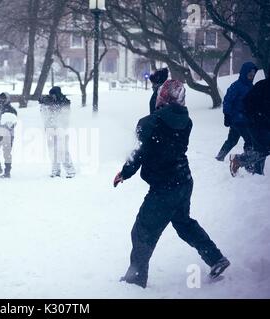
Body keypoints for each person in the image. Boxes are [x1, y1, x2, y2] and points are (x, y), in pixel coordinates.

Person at [113, 80, 230, 288]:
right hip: (183, 181)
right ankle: (215, 258)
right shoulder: (186, 121)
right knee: (184, 224)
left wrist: (125, 172)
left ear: (161, 97)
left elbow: (138, 153)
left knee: (142, 231)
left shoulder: (147, 123)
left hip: (164, 188)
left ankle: (135, 279)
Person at [215, 62, 258, 161]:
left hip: (246, 119)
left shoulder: (252, 87)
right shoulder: (236, 86)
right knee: (250, 140)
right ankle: (247, 161)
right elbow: (227, 100)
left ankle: (220, 156)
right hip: (237, 119)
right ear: (244, 73)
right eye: (249, 74)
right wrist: (227, 115)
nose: (251, 76)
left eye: (253, 74)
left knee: (232, 140)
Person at [230, 75, 270, 176]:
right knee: (263, 149)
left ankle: (257, 173)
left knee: (261, 149)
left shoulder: (262, 85)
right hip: (257, 124)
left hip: (263, 125)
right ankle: (238, 160)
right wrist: (256, 116)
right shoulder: (262, 85)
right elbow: (247, 102)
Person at [39, 86, 76, 178]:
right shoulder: (48, 101)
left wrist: (55, 107)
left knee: (63, 150)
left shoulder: (64, 102)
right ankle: (55, 171)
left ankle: (70, 170)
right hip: (50, 129)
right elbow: (41, 100)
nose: (52, 96)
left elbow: (65, 115)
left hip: (61, 129)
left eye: (54, 95)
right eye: (51, 95)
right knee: (53, 151)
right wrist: (44, 101)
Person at [0, 92, 18, 178]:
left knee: (6, 152)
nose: (2, 100)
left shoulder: (12, 110)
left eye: (4, 98)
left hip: (8, 134)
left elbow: (13, 124)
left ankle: (7, 171)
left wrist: (6, 123)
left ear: (7, 99)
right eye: (0, 98)